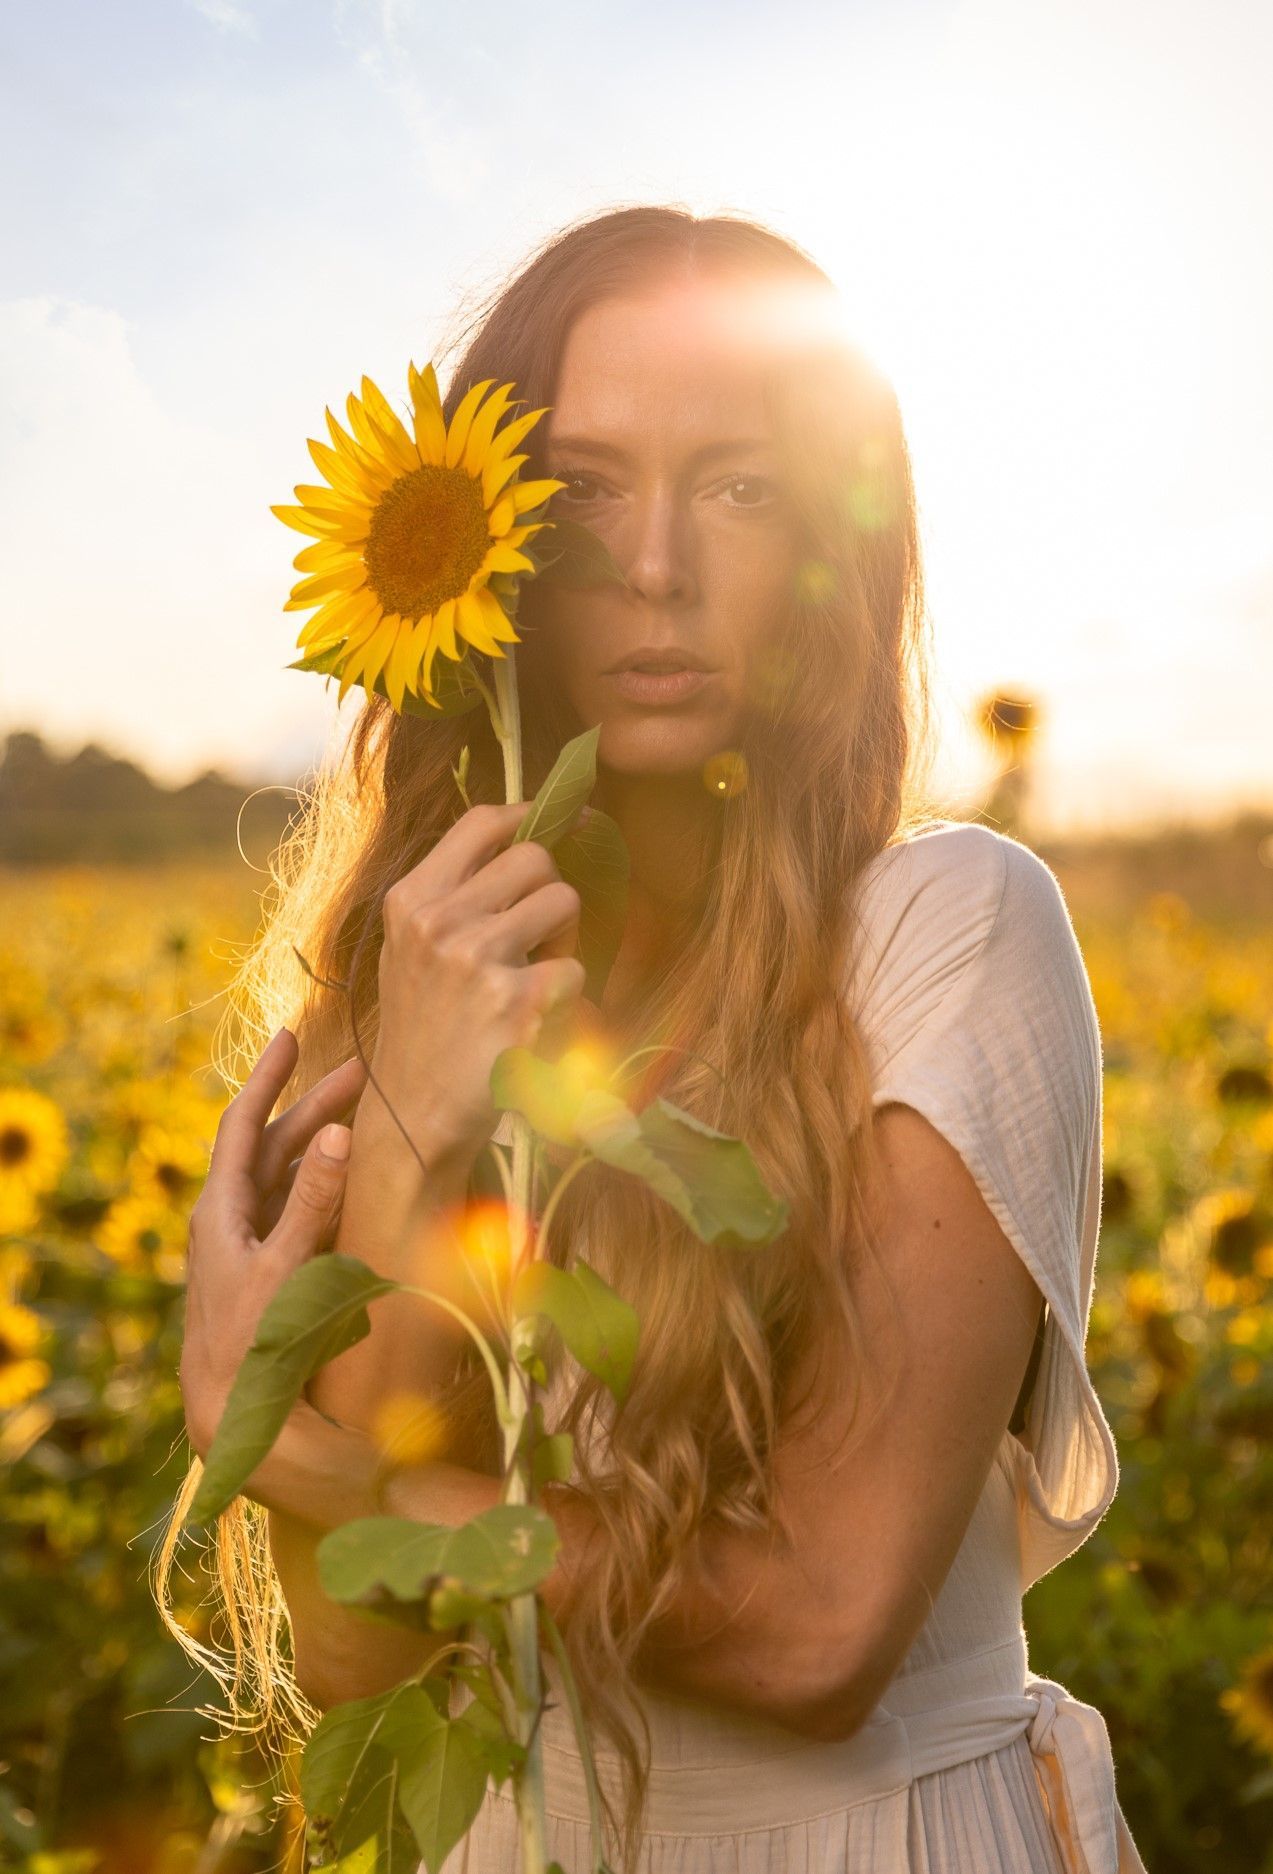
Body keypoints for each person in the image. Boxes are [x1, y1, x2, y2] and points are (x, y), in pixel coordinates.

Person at [160, 205, 1149, 1873]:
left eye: (740, 485)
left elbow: (820, 1632)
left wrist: (329, 1472)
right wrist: (409, 1115)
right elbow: (352, 1656)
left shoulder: (944, 929)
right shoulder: (412, 971)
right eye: (590, 485)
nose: (655, 564)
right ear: (493, 538)